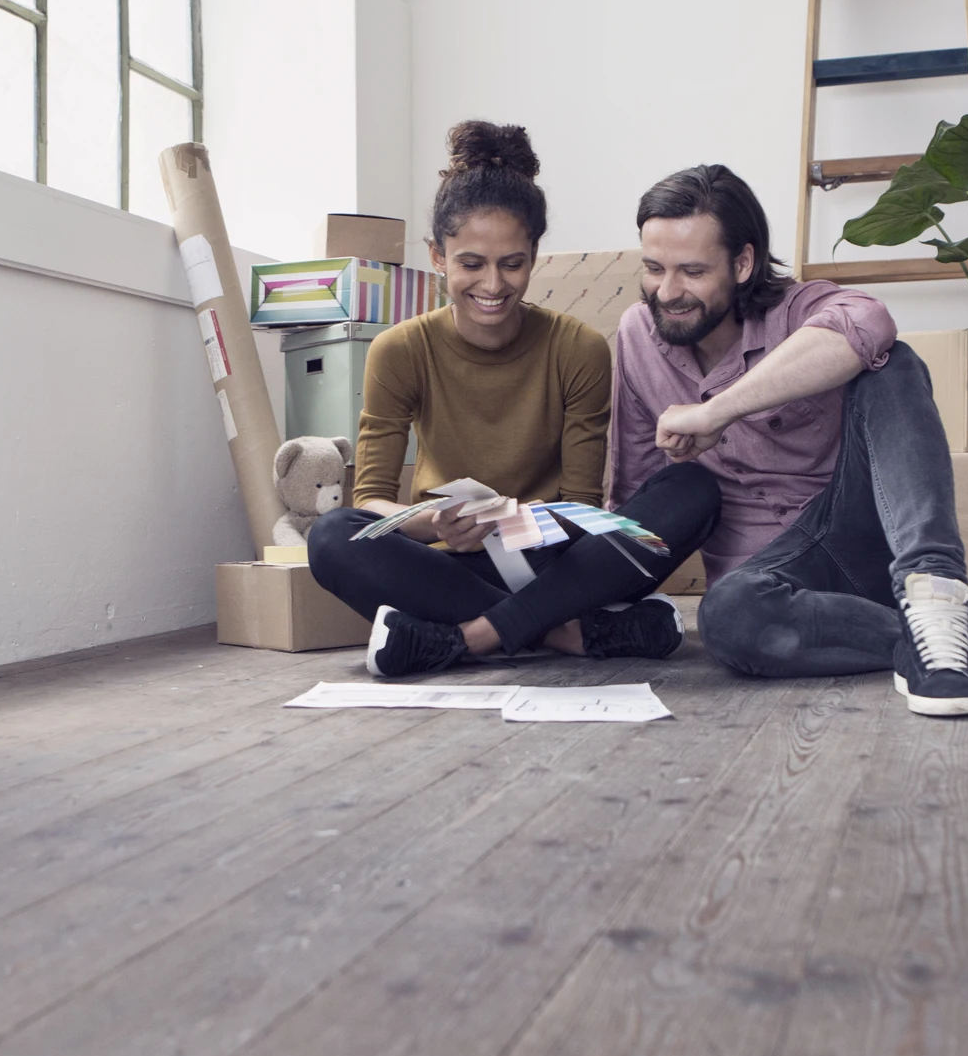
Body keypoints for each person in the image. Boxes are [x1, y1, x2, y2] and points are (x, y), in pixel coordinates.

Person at [608, 164, 968, 716]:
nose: (668, 291)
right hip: (782, 590)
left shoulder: (799, 310)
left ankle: (934, 590)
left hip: (861, 532)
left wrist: (719, 411)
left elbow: (870, 323)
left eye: (692, 271)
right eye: (654, 269)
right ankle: (957, 635)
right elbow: (639, 485)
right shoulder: (638, 334)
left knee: (889, 363)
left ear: (743, 262)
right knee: (726, 620)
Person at [309, 122, 722, 677]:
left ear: (533, 256)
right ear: (438, 256)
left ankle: (466, 639)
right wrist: (432, 522)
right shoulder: (399, 351)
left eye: (512, 263)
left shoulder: (577, 348)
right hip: (450, 567)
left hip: (556, 563)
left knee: (692, 488)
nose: (493, 285)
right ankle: (567, 634)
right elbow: (374, 503)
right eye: (471, 263)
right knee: (333, 537)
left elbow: (583, 505)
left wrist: (524, 519)